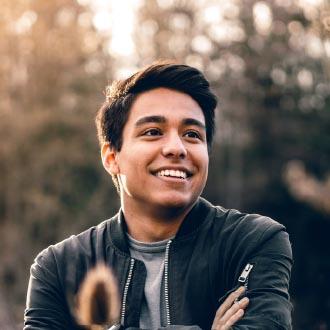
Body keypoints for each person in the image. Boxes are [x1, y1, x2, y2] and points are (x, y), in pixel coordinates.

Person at [24, 61, 293, 330]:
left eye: (192, 134)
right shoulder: (59, 267)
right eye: (153, 132)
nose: (177, 148)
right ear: (111, 157)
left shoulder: (252, 241)